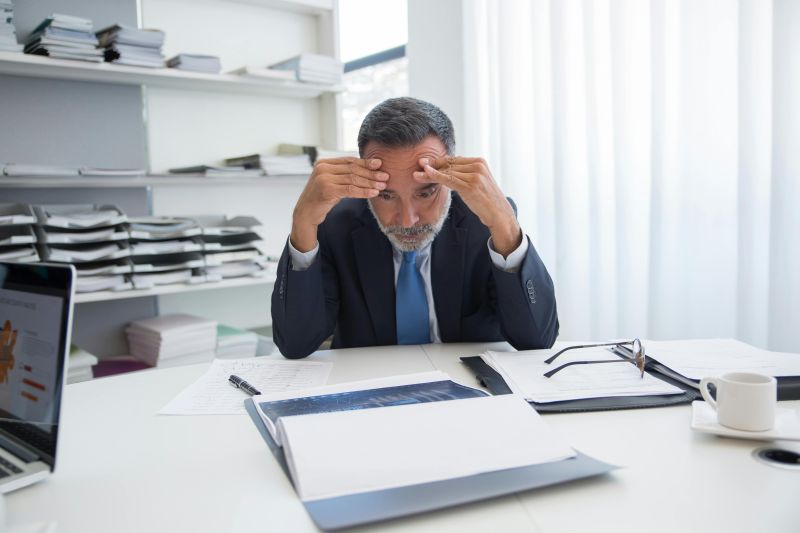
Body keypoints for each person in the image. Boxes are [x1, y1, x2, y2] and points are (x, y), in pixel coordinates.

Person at [272, 97, 558, 358]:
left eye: (426, 192)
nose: (408, 220)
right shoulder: (335, 223)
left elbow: (536, 340)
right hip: (368, 387)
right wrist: (302, 222)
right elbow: (295, 344)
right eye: (386, 195)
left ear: (451, 173)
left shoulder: (486, 219)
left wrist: (505, 224)